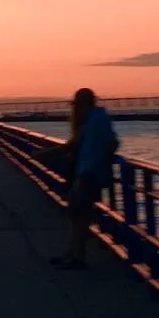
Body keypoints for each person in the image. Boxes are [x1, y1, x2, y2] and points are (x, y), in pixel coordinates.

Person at [52, 87, 119, 270]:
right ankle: (73, 252)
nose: (74, 110)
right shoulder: (91, 120)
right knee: (76, 213)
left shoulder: (98, 119)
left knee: (80, 214)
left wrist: (100, 162)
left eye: (76, 105)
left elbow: (112, 142)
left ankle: (77, 256)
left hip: (90, 173)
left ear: (84, 104)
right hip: (85, 172)